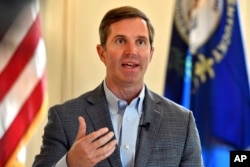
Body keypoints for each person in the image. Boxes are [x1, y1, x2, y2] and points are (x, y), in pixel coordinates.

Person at [33, 6, 203, 167]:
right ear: (102, 53)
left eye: (141, 42)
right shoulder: (64, 118)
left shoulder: (182, 121)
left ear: (151, 54)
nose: (132, 51)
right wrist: (70, 164)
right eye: (121, 41)